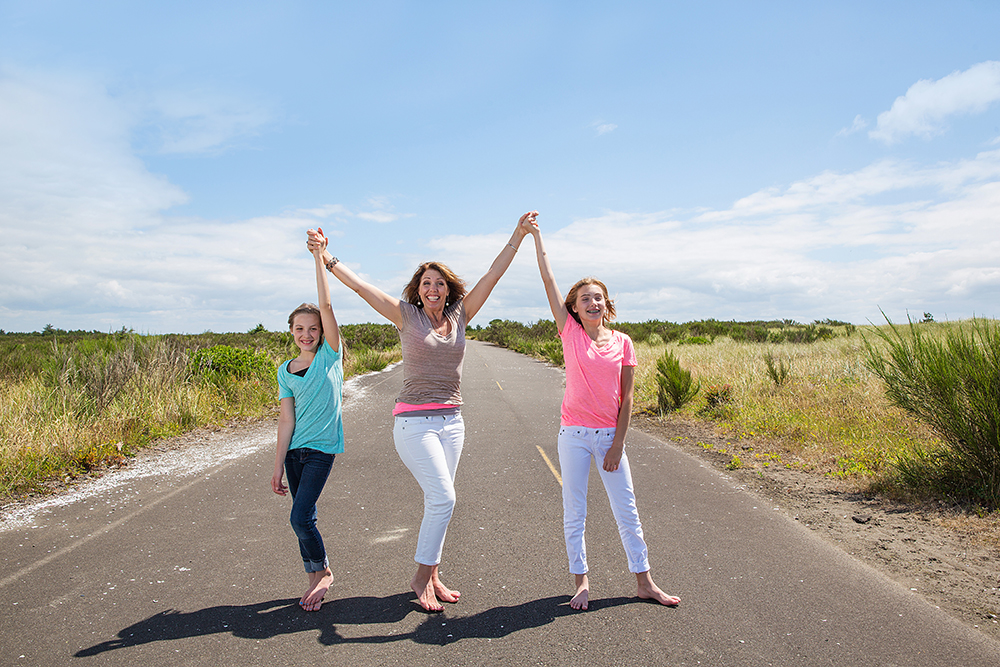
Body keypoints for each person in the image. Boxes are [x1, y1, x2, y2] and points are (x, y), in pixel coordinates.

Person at [307, 214, 533, 612]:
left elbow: (492, 275)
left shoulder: (460, 315)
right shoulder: (405, 316)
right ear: (418, 289)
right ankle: (420, 577)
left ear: (448, 289)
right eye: (426, 283)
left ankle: (433, 575)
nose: (433, 288)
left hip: (452, 422)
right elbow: (361, 287)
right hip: (414, 423)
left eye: (439, 283)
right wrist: (326, 257)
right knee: (445, 498)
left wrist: (517, 236)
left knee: (437, 501)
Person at [521, 211, 681, 611]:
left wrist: (618, 445)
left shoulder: (624, 342)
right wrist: (535, 237)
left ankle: (644, 581)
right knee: (575, 509)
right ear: (573, 308)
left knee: (626, 509)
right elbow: (548, 279)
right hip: (573, 435)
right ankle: (581, 580)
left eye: (598, 298)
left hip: (610, 437)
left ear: (607, 306)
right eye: (584, 298)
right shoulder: (569, 332)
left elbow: (627, 399)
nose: (591, 302)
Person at [270, 239, 344, 612]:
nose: (306, 334)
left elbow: (327, 305)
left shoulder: (331, 355)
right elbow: (286, 419)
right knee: (304, 518)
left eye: (313, 328)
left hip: (321, 450)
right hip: (294, 453)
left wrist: (319, 257)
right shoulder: (285, 370)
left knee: (299, 516)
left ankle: (325, 572)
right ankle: (313, 576)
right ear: (291, 331)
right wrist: (277, 466)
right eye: (299, 328)